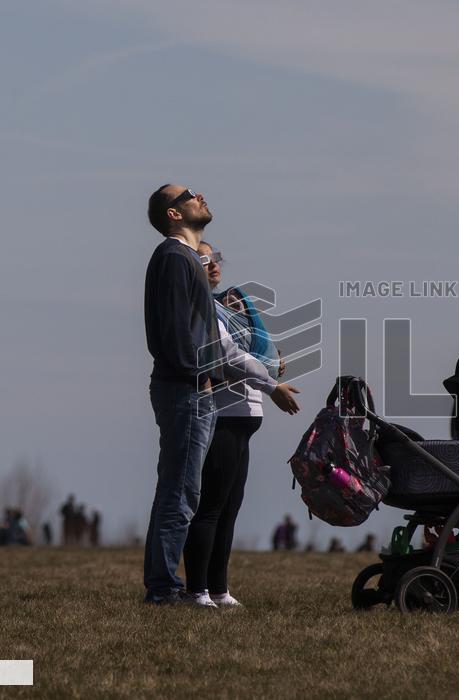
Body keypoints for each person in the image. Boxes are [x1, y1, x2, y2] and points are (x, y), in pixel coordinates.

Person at [182, 241, 301, 609]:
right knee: (211, 507)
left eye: (215, 258)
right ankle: (197, 590)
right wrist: (271, 384)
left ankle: (218, 588)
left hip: (245, 418)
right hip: (223, 415)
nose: (213, 264)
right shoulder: (204, 309)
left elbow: (253, 351)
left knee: (230, 508)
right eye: (203, 260)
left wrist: (273, 364)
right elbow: (229, 356)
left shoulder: (228, 308)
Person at [142, 184, 226, 604]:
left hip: (191, 388)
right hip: (186, 390)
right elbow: (176, 332)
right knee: (180, 492)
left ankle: (162, 585)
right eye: (190, 193)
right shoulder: (175, 258)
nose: (201, 195)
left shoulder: (188, 258)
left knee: (177, 488)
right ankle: (162, 589)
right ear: (174, 214)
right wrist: (201, 375)